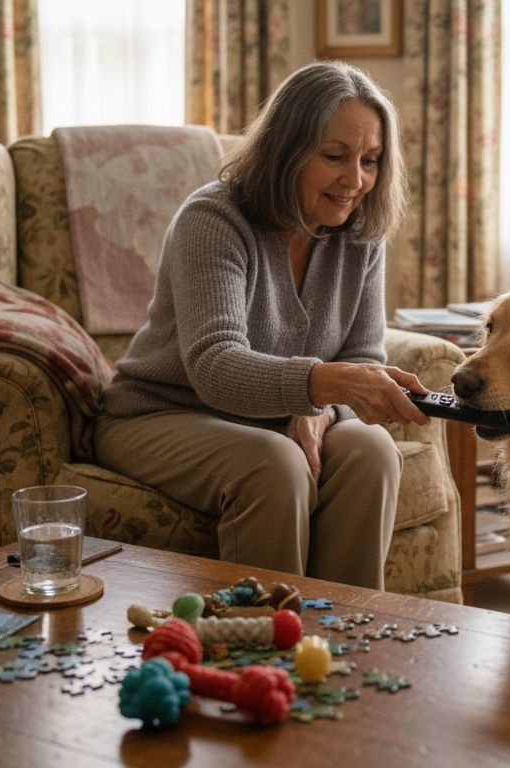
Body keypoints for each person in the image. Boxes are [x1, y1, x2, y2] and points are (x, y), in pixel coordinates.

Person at [94, 61, 430, 590]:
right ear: (287, 149)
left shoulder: (360, 234)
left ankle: (346, 642)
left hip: (269, 420)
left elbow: (364, 356)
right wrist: (323, 386)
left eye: (371, 161)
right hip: (161, 412)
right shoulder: (213, 219)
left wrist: (317, 411)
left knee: (372, 450)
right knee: (274, 464)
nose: (356, 180)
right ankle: (266, 656)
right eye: (335, 156)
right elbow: (215, 366)